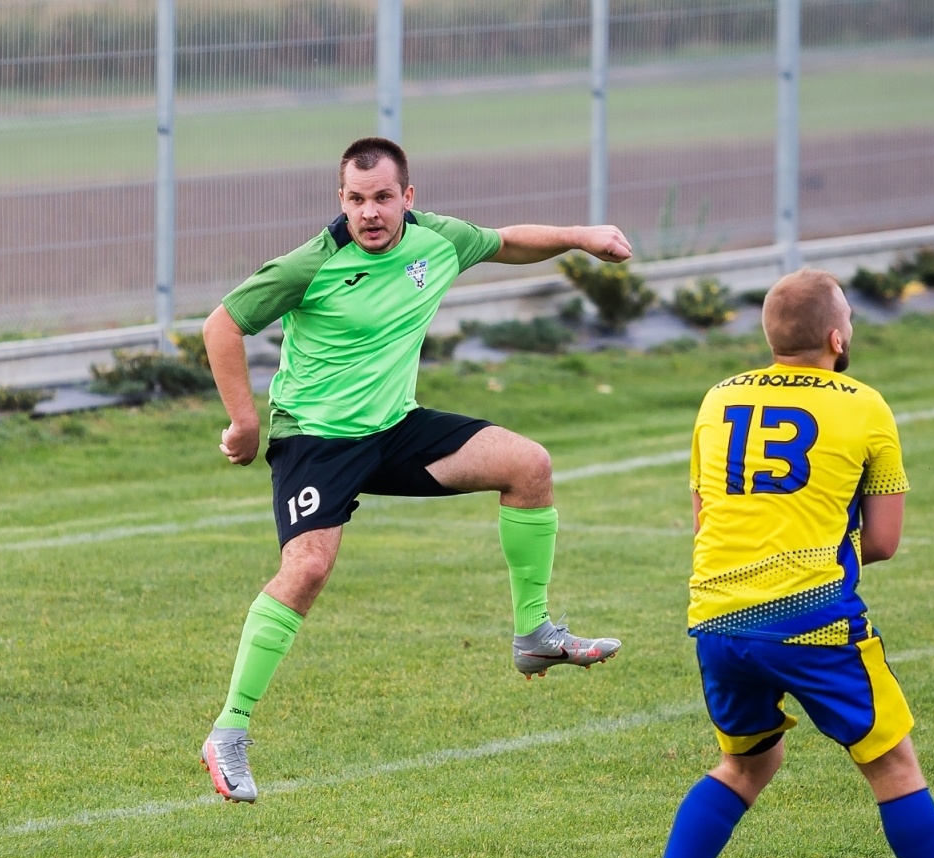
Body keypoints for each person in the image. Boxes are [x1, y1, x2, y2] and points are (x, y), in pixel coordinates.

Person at [198, 136, 631, 803]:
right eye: (356, 199)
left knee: (529, 466)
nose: (369, 212)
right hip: (316, 439)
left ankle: (535, 634)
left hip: (394, 428)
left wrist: (580, 237)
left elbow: (507, 242)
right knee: (307, 568)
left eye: (382, 197)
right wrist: (246, 422)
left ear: (407, 196)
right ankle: (228, 732)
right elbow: (222, 326)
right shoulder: (311, 263)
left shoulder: (438, 240)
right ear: (341, 199)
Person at [627, 268, 934, 858]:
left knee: (746, 763)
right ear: (837, 337)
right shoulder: (865, 405)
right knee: (893, 763)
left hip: (717, 617)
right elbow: (884, 541)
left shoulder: (718, 398)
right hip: (812, 621)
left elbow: (706, 517)